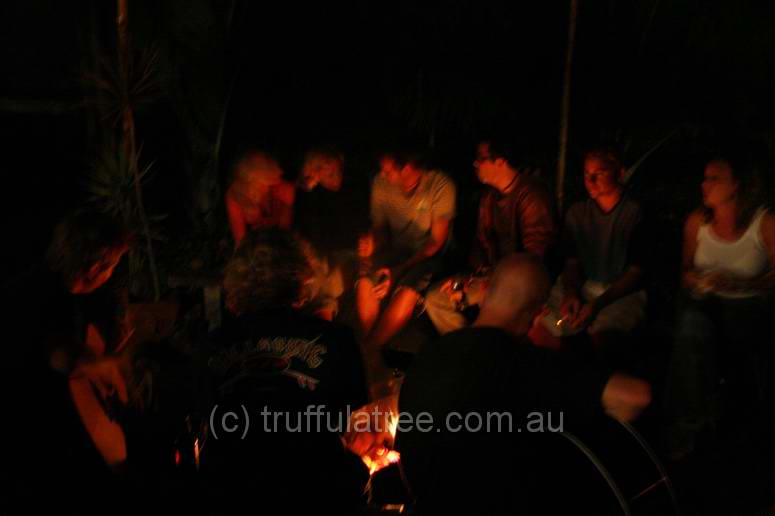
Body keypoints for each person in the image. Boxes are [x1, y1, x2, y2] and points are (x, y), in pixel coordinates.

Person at [396, 254, 652, 515]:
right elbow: (636, 396)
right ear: (539, 314)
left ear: (484, 290)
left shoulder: (427, 357)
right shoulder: (525, 364)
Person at [203, 229, 370, 514]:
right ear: (302, 276)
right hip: (316, 485)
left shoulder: (213, 344)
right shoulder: (335, 339)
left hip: (230, 487)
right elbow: (353, 417)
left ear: (237, 281)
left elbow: (201, 414)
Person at [6, 211, 136, 513]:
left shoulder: (36, 284)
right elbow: (60, 355)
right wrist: (104, 367)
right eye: (112, 266)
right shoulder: (52, 300)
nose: (112, 274)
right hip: (29, 442)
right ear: (94, 268)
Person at [664, 155, 775, 470]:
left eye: (714, 178)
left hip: (750, 306)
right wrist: (696, 279)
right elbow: (684, 270)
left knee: (694, 332)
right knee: (691, 324)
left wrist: (741, 282)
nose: (704, 184)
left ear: (737, 184)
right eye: (704, 177)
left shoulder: (763, 223)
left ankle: (689, 424)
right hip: (704, 302)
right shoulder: (696, 222)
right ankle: (691, 422)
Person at [424, 140, 557, 335]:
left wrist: (495, 285)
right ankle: (468, 348)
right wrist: (465, 281)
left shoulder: (532, 195)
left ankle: (482, 350)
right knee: (437, 298)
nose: (475, 164)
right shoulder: (489, 198)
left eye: (481, 158)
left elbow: (535, 257)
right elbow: (480, 248)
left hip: (518, 282)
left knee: (492, 309)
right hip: (493, 276)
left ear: (501, 162)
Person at [355, 150, 456, 396]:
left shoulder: (439, 185)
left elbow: (435, 243)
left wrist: (397, 271)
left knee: (408, 290)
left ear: (408, 167)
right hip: (395, 251)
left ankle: (365, 353)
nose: (383, 175)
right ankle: (373, 358)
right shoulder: (381, 184)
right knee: (366, 282)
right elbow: (380, 230)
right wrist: (372, 242)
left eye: (389, 170)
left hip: (428, 256)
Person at [533, 148, 648, 352]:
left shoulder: (634, 214)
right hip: (583, 286)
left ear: (619, 173)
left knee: (604, 340)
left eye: (600, 173)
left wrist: (597, 305)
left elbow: (635, 274)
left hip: (620, 292)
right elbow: (572, 262)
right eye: (587, 174)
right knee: (541, 329)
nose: (590, 180)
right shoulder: (578, 213)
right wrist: (571, 293)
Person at [293, 147, 370, 320]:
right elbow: (306, 234)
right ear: (315, 175)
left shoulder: (355, 186)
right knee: (314, 280)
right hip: (318, 257)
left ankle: (322, 325)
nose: (338, 179)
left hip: (347, 253)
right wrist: (307, 192)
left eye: (339, 171)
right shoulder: (309, 193)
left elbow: (364, 225)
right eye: (330, 176)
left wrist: (366, 241)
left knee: (324, 287)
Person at [224, 150, 295, 245]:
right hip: (256, 244)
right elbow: (240, 242)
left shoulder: (283, 189)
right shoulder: (234, 195)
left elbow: (284, 234)